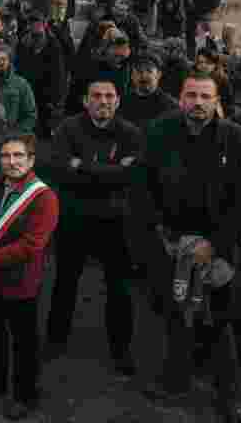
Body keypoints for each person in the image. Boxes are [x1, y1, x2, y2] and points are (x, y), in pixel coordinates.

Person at [134, 73, 241, 423]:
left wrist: (216, 245)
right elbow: (143, 185)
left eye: (205, 96)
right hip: (171, 242)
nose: (198, 103)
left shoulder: (235, 138)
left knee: (220, 322)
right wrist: (161, 236)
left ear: (216, 101)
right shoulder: (160, 131)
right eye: (192, 95)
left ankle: (231, 395)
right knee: (176, 314)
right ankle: (176, 379)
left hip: (217, 246)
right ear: (180, 98)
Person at [42, 76, 143, 374]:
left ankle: (120, 348)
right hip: (75, 218)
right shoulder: (67, 129)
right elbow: (60, 169)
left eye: (109, 96)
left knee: (119, 288)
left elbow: (132, 176)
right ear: (86, 101)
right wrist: (111, 171)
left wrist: (83, 166)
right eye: (96, 96)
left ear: (117, 101)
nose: (103, 101)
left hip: (115, 222)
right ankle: (55, 339)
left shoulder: (131, 133)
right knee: (64, 283)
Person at [0, 134, 59, 420]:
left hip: (21, 281)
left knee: (24, 343)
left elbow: (32, 245)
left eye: (19, 156)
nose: (12, 161)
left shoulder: (44, 197)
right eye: (6, 156)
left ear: (31, 160)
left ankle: (24, 395)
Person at [118, 54, 178, 128]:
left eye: (149, 71)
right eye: (139, 71)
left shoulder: (171, 105)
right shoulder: (121, 103)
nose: (143, 75)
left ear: (158, 75)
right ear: (132, 76)